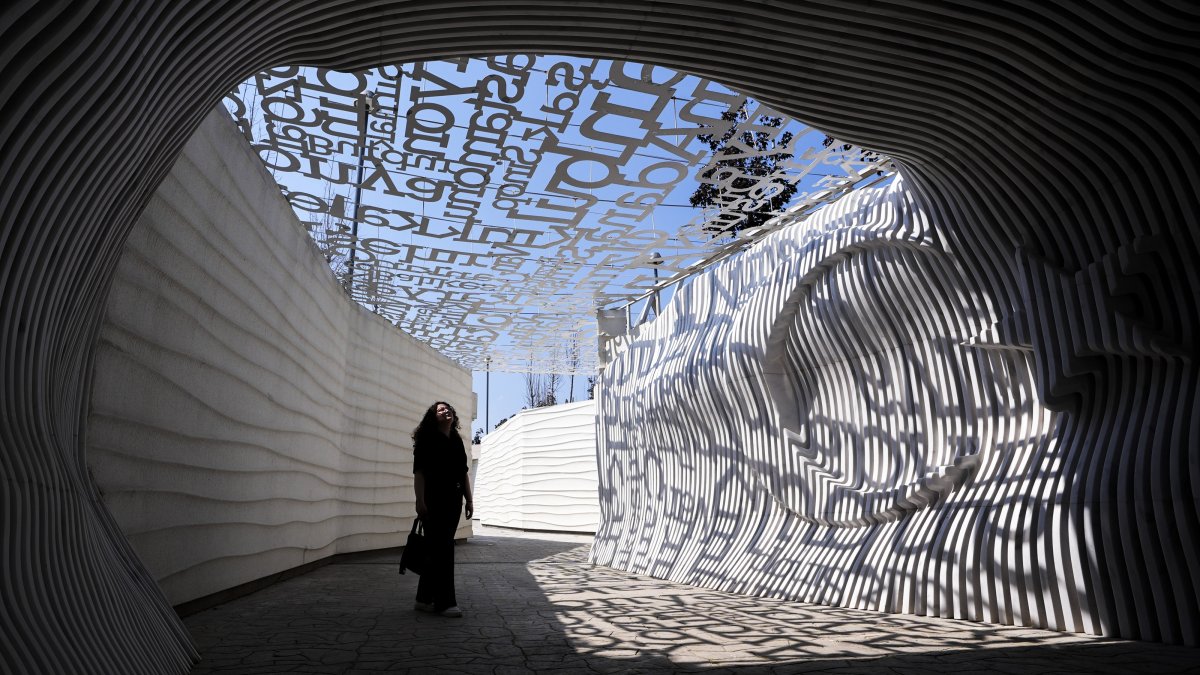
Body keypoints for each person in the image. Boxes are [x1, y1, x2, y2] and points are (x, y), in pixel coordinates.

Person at [411, 401, 474, 617]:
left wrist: (469, 500)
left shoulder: (456, 440)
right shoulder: (426, 439)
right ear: (433, 416)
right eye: (440, 410)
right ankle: (445, 603)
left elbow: (463, 472)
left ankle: (423, 598)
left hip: (454, 500)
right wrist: (420, 501)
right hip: (433, 499)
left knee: (436, 549)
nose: (445, 411)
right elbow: (419, 473)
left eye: (447, 408)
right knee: (444, 549)